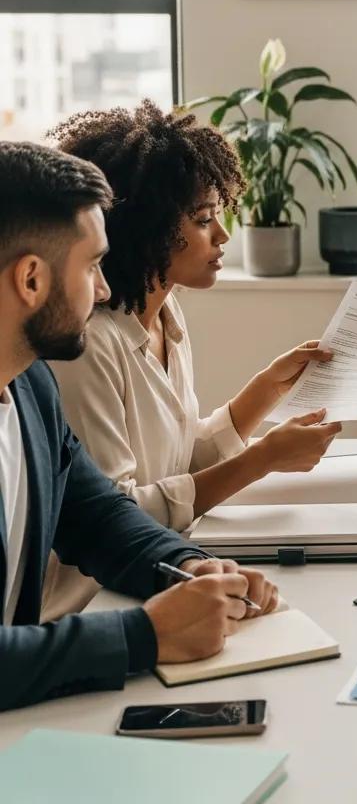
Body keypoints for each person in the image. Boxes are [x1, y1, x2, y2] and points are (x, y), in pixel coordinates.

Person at [0, 141, 278, 711]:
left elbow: (97, 516)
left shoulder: (29, 386)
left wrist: (186, 566)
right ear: (31, 280)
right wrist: (144, 635)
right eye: (93, 265)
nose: (103, 290)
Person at [41, 101, 342, 619]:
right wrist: (262, 459)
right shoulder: (88, 345)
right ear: (146, 228)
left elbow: (175, 465)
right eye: (203, 219)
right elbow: (119, 514)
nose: (223, 235)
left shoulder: (165, 314)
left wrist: (264, 392)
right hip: (91, 604)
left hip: (159, 578)